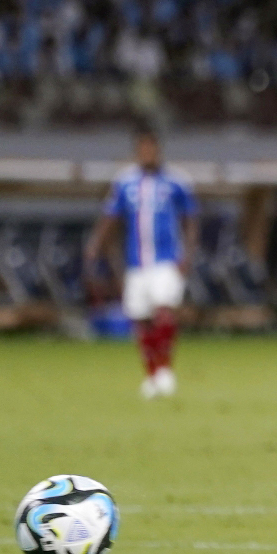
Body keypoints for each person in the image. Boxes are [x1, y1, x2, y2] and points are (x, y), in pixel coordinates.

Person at [85, 126, 198, 398]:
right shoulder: (125, 183)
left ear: (157, 150)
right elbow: (110, 219)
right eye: (143, 148)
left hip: (167, 259)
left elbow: (190, 219)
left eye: (152, 148)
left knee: (164, 311)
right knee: (141, 319)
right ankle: (150, 373)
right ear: (137, 152)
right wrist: (95, 247)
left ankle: (165, 370)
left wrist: (188, 254)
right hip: (136, 262)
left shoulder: (176, 181)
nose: (148, 153)